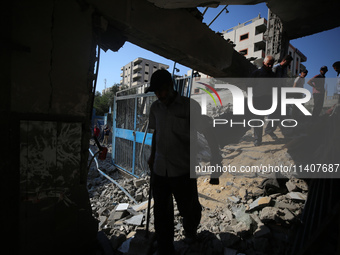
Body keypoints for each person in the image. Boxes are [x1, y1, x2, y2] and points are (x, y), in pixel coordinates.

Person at [146, 69, 220, 255]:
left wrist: (216, 161)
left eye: (162, 90)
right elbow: (157, 134)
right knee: (162, 214)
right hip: (160, 170)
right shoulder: (155, 108)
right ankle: (166, 249)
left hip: (184, 170)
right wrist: (152, 157)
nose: (159, 95)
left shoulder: (190, 106)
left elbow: (209, 132)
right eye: (156, 92)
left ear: (171, 86)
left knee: (190, 210)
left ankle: (190, 232)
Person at [264, 54, 293, 139]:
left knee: (280, 112)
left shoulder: (284, 69)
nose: (288, 64)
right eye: (288, 62)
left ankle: (272, 129)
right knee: (274, 112)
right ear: (284, 60)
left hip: (281, 92)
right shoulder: (276, 68)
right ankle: (269, 129)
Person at [251, 55, 276, 146]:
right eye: (268, 64)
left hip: (269, 100)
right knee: (258, 120)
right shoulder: (256, 74)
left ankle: (269, 130)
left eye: (271, 65)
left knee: (275, 116)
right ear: (263, 63)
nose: (270, 66)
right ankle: (258, 139)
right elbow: (249, 87)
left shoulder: (273, 76)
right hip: (258, 100)